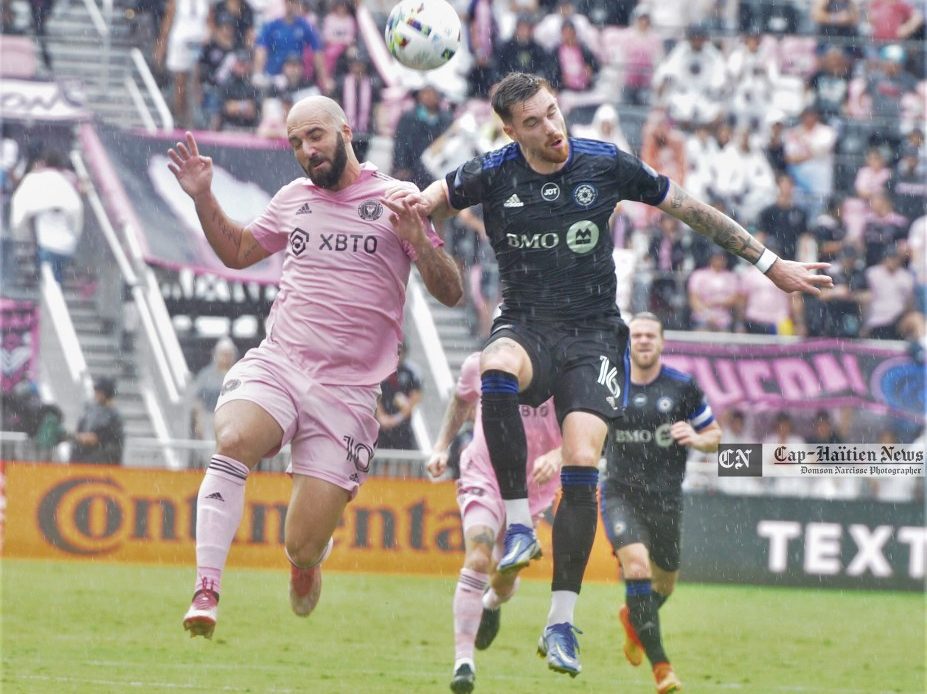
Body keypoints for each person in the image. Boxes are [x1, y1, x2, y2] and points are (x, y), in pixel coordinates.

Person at [391, 72, 831, 677]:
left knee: (580, 463)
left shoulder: (604, 163)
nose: (552, 129)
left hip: (593, 333)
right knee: (493, 367)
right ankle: (519, 527)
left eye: (553, 113)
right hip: (524, 320)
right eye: (534, 123)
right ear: (510, 131)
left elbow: (692, 210)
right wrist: (403, 208)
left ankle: (561, 621)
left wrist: (770, 263)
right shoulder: (490, 171)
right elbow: (425, 200)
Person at [166, 95, 462, 639]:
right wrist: (204, 197)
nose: (307, 151)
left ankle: (307, 560)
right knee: (232, 437)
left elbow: (452, 292)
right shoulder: (292, 199)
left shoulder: (397, 199)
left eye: (316, 136)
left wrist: (420, 241)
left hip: (348, 393)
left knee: (300, 543)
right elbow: (236, 253)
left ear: (346, 129)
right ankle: (206, 589)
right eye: (297, 143)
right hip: (281, 361)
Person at [427, 351, 562, 693]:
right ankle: (463, 662)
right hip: (484, 475)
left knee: (506, 575)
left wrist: (557, 455)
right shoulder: (481, 363)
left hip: (532, 486)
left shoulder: (560, 367)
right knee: (477, 555)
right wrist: (441, 446)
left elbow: (585, 423)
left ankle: (490, 602)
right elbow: (461, 401)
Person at [601, 312, 721, 694]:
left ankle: (634, 618)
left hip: (666, 499)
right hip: (621, 494)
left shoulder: (682, 387)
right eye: (637, 335)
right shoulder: (610, 385)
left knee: (665, 584)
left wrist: (698, 439)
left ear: (662, 342)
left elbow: (715, 435)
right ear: (629, 341)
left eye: (651, 335)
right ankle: (662, 669)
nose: (644, 341)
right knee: (636, 568)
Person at [9, 148, 84, 283]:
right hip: (66, 246)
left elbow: (18, 213)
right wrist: (74, 236)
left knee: (47, 282)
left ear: (43, 163)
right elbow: (77, 211)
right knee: (55, 280)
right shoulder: (65, 183)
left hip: (44, 245)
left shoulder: (33, 180)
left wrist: (20, 240)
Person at [190, 336, 238, 447]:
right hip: (209, 418)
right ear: (216, 354)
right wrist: (199, 420)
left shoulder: (238, 374)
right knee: (210, 450)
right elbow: (197, 400)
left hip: (231, 420)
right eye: (223, 353)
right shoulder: (206, 375)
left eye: (228, 354)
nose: (226, 357)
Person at [375, 341, 423, 451]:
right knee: (384, 459)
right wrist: (382, 418)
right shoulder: (382, 370)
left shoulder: (411, 372)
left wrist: (397, 418)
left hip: (403, 426)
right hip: (383, 426)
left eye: (400, 352)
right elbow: (376, 396)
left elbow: (415, 398)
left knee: (404, 459)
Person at [70, 377, 125, 465]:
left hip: (101, 463)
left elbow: (95, 438)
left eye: (99, 392)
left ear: (105, 393)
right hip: (84, 462)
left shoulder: (112, 416)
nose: (96, 394)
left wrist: (76, 437)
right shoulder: (91, 411)